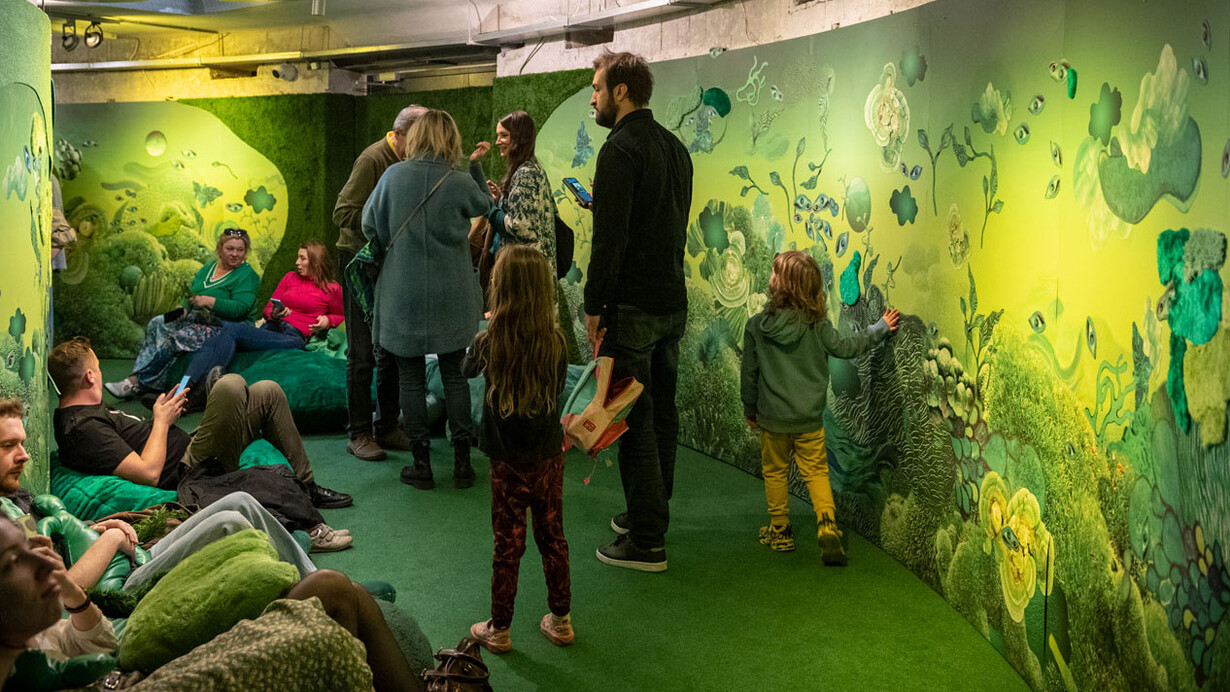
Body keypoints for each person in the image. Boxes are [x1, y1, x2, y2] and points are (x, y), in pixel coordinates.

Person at [0, 518, 421, 692]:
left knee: (332, 588)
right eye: (11, 564)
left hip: (125, 672)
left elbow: (98, 643)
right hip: (137, 678)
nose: (40, 562)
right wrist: (111, 539)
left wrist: (70, 593)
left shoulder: (30, 634)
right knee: (330, 599)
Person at [583, 51, 693, 572]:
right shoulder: (674, 148)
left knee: (635, 419)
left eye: (598, 88)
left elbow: (611, 239)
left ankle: (647, 540)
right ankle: (651, 512)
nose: (594, 98)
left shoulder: (618, 150)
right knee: (662, 414)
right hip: (672, 303)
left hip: (633, 309)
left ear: (621, 91)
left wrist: (593, 305)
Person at [50, 337, 353, 514]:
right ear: (90, 377)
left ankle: (308, 487)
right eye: (99, 370)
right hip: (190, 471)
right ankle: (209, 391)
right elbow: (149, 473)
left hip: (190, 446)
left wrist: (164, 415)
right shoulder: (82, 427)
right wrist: (161, 421)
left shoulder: (85, 409)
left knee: (268, 392)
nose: (100, 375)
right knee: (230, 386)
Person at [740, 251, 900, 565]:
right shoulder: (817, 325)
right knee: (815, 471)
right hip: (809, 419)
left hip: (772, 420)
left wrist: (750, 409)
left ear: (781, 286)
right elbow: (846, 347)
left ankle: (780, 531)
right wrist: (880, 328)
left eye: (775, 274)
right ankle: (826, 523)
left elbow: (749, 373)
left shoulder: (757, 326)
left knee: (774, 472)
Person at [361, 109, 490, 491]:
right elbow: (485, 204)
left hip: (403, 294)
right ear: (450, 139)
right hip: (453, 293)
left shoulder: (392, 176)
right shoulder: (458, 180)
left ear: (415, 136)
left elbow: (369, 226)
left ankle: (421, 464)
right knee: (455, 375)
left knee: (411, 378)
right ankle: (463, 463)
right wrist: (476, 169)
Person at [462, 247, 572, 654]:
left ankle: (500, 629)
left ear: (501, 289)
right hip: (547, 459)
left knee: (506, 544)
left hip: (505, 464)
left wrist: (483, 332)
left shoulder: (488, 342)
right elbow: (557, 388)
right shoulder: (557, 344)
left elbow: (464, 370)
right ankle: (560, 621)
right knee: (553, 538)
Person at [333, 106, 427, 462]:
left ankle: (386, 426)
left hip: (388, 263)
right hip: (358, 262)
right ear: (399, 134)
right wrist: (383, 223)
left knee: (388, 349)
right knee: (361, 353)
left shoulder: (407, 163)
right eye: (417, 140)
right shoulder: (373, 159)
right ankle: (358, 433)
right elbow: (342, 212)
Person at [106, 228, 260, 403]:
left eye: (240, 250)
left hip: (224, 326)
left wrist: (209, 301)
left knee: (177, 337)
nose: (235, 254)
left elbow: (240, 309)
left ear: (246, 252)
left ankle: (136, 382)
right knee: (158, 322)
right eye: (230, 249)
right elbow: (192, 293)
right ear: (220, 248)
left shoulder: (248, 275)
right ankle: (153, 381)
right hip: (195, 315)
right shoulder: (209, 267)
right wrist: (182, 307)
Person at [178, 242, 344, 387]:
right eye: (297, 257)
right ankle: (183, 388)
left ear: (315, 261)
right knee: (214, 339)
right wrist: (275, 314)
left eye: (302, 258)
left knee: (230, 329)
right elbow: (268, 308)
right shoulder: (290, 277)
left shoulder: (332, 288)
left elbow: (344, 316)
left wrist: (328, 320)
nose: (297, 262)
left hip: (294, 336)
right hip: (270, 328)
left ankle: (202, 385)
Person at [470, 110, 558, 269]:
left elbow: (518, 226)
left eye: (504, 136)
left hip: (525, 272)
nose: (497, 142)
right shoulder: (530, 169)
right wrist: (501, 202)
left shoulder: (525, 173)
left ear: (519, 139)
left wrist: (491, 209)